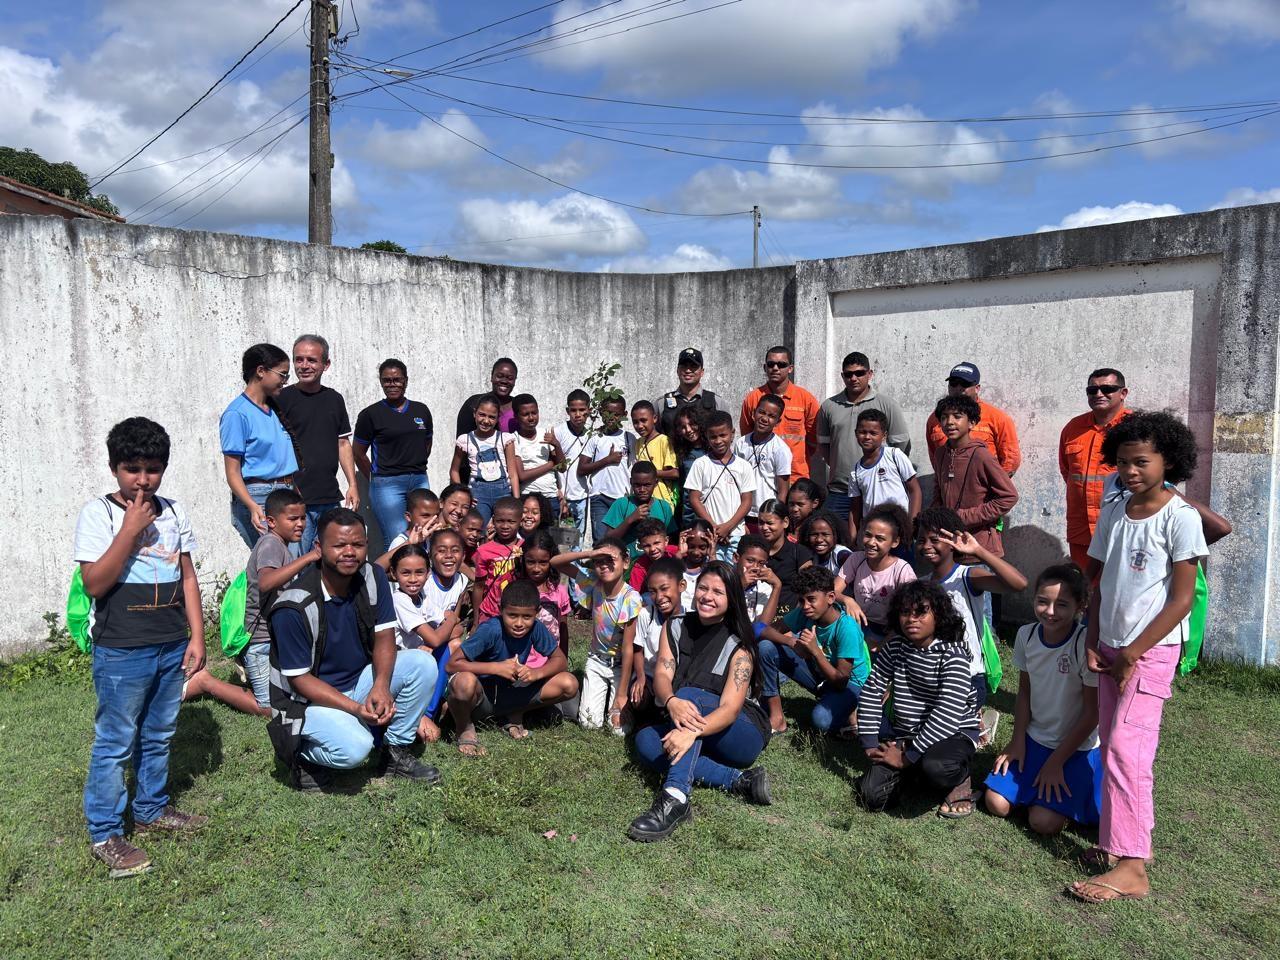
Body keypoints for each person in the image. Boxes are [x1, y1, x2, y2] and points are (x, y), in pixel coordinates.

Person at [1066, 411, 1208, 905]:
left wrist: (1133, 652)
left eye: (1141, 462)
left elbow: (1181, 599)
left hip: (1148, 654)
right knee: (1111, 748)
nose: (1130, 471)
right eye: (1123, 462)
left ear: (1169, 461)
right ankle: (1113, 845)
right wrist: (1094, 635)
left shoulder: (1181, 517)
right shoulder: (1115, 509)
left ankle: (1133, 868)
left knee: (1130, 752)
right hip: (1109, 648)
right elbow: (1099, 581)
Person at [76, 418, 207, 877]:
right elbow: (94, 583)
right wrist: (129, 530)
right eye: (132, 468)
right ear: (115, 469)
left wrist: (197, 635)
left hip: (171, 643)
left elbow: (187, 576)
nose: (143, 479)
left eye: (153, 469)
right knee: (115, 739)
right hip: (123, 650)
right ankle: (106, 831)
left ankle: (151, 809)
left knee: (160, 732)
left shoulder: (174, 511)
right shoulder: (100, 514)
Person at [267, 508, 441, 792]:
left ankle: (395, 754)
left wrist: (381, 686)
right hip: (304, 702)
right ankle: (299, 754)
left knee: (422, 664)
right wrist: (356, 709)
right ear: (318, 548)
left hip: (357, 681)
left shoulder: (373, 577)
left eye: (358, 545)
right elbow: (300, 681)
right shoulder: (293, 606)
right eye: (339, 545)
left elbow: (385, 634)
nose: (350, 552)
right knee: (357, 749)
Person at [628, 562, 773, 842]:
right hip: (696, 725)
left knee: (688, 696)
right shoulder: (675, 625)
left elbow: (730, 709)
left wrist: (689, 730)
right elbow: (661, 674)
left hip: (741, 733)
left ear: (732, 599)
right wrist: (669, 700)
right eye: (703, 588)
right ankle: (739, 781)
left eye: (718, 591)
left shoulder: (740, 645)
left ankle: (675, 798)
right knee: (646, 739)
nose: (707, 596)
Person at [984, 564, 1101, 836]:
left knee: (1042, 823)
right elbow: (1025, 692)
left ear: (1080, 605)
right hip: (1035, 740)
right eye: (1042, 602)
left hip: (1075, 748)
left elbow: (1092, 714)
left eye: (1061, 604)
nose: (1050, 612)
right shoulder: (1026, 635)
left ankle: (1068, 798)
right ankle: (1035, 790)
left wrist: (1056, 762)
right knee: (995, 803)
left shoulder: (1084, 645)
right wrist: (1017, 741)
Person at [855, 579, 982, 817]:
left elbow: (947, 715)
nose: (912, 619)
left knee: (937, 767)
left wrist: (907, 757)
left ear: (939, 615)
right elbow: (872, 692)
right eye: (905, 612)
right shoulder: (894, 648)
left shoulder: (952, 656)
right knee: (870, 795)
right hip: (907, 734)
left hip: (952, 734)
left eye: (921, 612)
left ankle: (960, 778)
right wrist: (870, 743)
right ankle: (913, 772)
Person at [185, 488, 314, 717]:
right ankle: (206, 682)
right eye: (293, 518)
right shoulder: (271, 544)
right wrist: (310, 557)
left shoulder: (281, 545)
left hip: (274, 640)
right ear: (271, 521)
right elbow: (266, 583)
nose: (300, 524)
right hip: (260, 641)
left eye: (303, 518)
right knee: (268, 708)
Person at [915, 506, 1028, 740]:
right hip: (932, 675)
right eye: (921, 539)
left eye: (935, 539)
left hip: (968, 677)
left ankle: (977, 725)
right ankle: (973, 722)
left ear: (953, 541)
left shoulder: (967, 577)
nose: (926, 545)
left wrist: (979, 551)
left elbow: (1019, 584)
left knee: (946, 738)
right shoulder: (921, 585)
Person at [445, 579, 579, 755]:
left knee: (569, 683)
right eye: (512, 615)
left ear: (537, 613)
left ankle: (514, 713)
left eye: (527, 617)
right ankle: (464, 727)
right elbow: (452, 664)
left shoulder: (536, 629)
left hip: (512, 692)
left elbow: (560, 660)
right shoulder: (491, 629)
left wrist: (536, 673)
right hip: (482, 697)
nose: (519, 623)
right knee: (464, 682)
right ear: (501, 610)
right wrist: (496, 668)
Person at [757, 566, 871, 736]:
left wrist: (815, 652)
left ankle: (853, 709)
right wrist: (791, 641)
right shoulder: (806, 613)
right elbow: (761, 629)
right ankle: (777, 717)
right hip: (821, 673)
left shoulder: (846, 627)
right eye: (801, 601)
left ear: (831, 597)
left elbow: (841, 681)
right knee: (765, 647)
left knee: (821, 721)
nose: (805, 606)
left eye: (811, 599)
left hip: (851, 685)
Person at [274, 334, 360, 553]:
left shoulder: (335, 399)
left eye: (311, 360)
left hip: (329, 497)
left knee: (330, 559)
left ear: (326, 364)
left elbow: (343, 443)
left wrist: (352, 484)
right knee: (296, 567)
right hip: (294, 501)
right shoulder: (280, 399)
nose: (304, 366)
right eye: (299, 359)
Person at [552, 540, 643, 734]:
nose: (604, 565)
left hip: (621, 666)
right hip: (596, 661)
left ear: (626, 562)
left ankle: (624, 704)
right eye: (599, 561)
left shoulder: (630, 598)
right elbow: (556, 562)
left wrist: (621, 694)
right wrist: (588, 554)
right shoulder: (593, 582)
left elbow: (628, 648)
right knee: (589, 723)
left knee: (618, 731)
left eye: (610, 559)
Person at [389, 530, 470, 742]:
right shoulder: (400, 600)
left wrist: (448, 625)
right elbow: (437, 635)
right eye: (406, 573)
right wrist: (450, 621)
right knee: (432, 736)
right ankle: (421, 714)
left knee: (446, 647)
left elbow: (456, 628)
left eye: (419, 573)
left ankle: (430, 711)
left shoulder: (421, 596)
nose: (414, 579)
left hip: (422, 660)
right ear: (394, 574)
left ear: (427, 573)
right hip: (402, 668)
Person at [817, 351, 911, 523]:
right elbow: (824, 445)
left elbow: (902, 444)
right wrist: (841, 466)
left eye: (859, 373)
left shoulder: (887, 404)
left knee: (877, 543)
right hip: (840, 492)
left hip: (877, 491)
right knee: (836, 542)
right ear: (842, 376)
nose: (854, 378)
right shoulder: (828, 406)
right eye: (849, 374)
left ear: (870, 374)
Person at [220, 343, 299, 548]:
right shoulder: (237, 414)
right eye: (282, 375)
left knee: (292, 568)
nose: (285, 381)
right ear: (261, 371)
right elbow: (233, 471)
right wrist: (252, 506)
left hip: (286, 493)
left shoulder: (273, 409)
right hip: (260, 498)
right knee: (274, 567)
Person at [353, 359, 433, 545]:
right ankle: (391, 575)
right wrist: (375, 478)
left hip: (419, 479)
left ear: (406, 380)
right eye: (386, 380)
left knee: (425, 533)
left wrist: (414, 462)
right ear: (381, 382)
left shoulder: (421, 410)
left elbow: (426, 444)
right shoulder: (370, 414)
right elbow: (358, 453)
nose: (392, 384)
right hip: (388, 485)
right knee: (397, 538)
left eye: (397, 379)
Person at [1059, 368, 1132, 570]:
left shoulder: (1136, 428)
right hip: (1082, 530)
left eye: (1107, 388)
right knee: (1085, 591)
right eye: (1092, 390)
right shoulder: (1073, 429)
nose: (1099, 394)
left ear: (1123, 393)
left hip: (1122, 527)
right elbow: (1067, 472)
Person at [929, 394, 1019, 557]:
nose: (949, 422)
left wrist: (964, 517)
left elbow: (1009, 497)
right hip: (950, 546)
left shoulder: (981, 456)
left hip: (980, 548)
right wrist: (934, 520)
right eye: (944, 417)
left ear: (972, 423)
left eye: (957, 417)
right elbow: (938, 492)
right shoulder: (941, 454)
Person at [835, 504, 917, 650]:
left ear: (895, 542)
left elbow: (910, 614)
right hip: (859, 625)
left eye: (880, 538)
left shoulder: (902, 570)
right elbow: (832, 592)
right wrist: (847, 599)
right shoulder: (856, 559)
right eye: (868, 535)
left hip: (890, 632)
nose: (871, 542)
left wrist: (882, 645)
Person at [925, 362, 1022, 477]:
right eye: (954, 383)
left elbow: (1011, 459)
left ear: (977, 388)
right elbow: (935, 457)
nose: (958, 388)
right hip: (950, 490)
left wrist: (994, 487)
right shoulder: (935, 418)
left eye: (964, 383)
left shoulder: (997, 418)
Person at [740, 346, 819, 479]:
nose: (775, 368)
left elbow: (813, 440)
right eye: (771, 364)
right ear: (765, 367)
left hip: (795, 476)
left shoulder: (805, 399)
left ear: (790, 368)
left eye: (781, 364)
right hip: (761, 476)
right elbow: (746, 436)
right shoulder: (753, 398)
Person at [686, 411, 755, 562]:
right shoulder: (700, 464)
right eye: (713, 437)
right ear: (707, 437)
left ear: (732, 434)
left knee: (733, 578)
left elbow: (747, 501)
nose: (718, 441)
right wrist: (714, 527)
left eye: (722, 435)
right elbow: (694, 499)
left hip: (736, 534)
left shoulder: (744, 466)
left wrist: (728, 527)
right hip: (709, 536)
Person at [628, 557, 687, 726]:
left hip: (673, 680)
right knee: (639, 698)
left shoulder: (688, 618)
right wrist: (640, 677)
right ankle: (643, 715)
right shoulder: (647, 614)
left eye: (664, 589)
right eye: (653, 591)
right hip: (648, 675)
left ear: (681, 586)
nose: (659, 597)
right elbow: (637, 649)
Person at [847, 408, 921, 543]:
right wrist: (852, 539)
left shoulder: (894, 455)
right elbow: (855, 508)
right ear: (856, 433)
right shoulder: (855, 471)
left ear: (884, 435)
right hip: (874, 534)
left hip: (899, 529)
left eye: (873, 433)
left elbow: (914, 490)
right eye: (862, 432)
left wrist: (911, 525)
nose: (867, 437)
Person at [578, 396, 636, 546]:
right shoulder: (595, 437)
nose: (611, 418)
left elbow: (634, 467)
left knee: (623, 540)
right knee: (601, 541)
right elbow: (582, 469)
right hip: (600, 497)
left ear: (624, 415)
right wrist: (607, 460)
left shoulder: (629, 438)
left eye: (616, 414)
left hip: (623, 497)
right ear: (601, 413)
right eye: (607, 413)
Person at [450, 394, 514, 524]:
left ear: (497, 419)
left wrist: (516, 500)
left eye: (492, 417)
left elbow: (513, 474)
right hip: (477, 496)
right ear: (474, 413)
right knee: (479, 530)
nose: (486, 420)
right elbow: (454, 471)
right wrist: (464, 495)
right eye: (482, 415)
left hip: (504, 494)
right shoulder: (465, 440)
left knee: (504, 531)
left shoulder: (505, 439)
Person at [735, 393, 793, 529]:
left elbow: (783, 489)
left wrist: (776, 515)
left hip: (767, 515)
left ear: (778, 422)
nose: (764, 419)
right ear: (754, 413)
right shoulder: (741, 443)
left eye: (771, 416)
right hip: (743, 511)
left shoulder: (780, 449)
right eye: (761, 412)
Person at [506, 394, 564, 522]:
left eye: (534, 413)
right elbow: (522, 475)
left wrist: (557, 445)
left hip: (550, 496)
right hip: (528, 498)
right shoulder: (514, 440)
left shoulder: (545, 434)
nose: (531, 418)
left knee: (550, 539)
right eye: (526, 414)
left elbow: (562, 467)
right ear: (516, 417)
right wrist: (550, 465)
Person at [515, 529, 571, 657]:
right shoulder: (515, 590)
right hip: (522, 659)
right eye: (530, 562)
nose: (536, 568)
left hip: (550, 659)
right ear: (522, 560)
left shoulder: (559, 591)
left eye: (543, 562)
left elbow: (563, 629)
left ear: (552, 561)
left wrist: (563, 659)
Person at [755, 499, 815, 613]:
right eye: (761, 523)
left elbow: (811, 589)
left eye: (770, 523)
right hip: (758, 620)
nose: (764, 528)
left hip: (789, 622)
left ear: (785, 522)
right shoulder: (753, 553)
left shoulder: (800, 553)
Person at [603, 462, 676, 554]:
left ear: (656, 483)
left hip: (655, 564)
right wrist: (630, 520)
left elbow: (670, 539)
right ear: (631, 482)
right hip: (628, 564)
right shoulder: (621, 504)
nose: (642, 490)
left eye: (647, 485)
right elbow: (608, 540)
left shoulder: (663, 506)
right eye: (637, 485)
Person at [655, 346, 730, 436]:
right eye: (684, 366)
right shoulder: (661, 404)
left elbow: (726, 436)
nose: (688, 370)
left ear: (702, 372)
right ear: (677, 371)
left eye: (693, 366)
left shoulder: (717, 402)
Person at [471, 496, 523, 625]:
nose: (505, 526)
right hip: (490, 612)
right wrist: (476, 622)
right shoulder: (483, 551)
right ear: (493, 521)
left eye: (511, 521)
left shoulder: (526, 547)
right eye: (500, 521)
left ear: (520, 521)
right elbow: (478, 587)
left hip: (517, 613)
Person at [553, 390, 593, 547]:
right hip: (564, 496)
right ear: (567, 411)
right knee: (563, 540)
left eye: (582, 410)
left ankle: (576, 569)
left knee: (579, 537)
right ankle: (565, 570)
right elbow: (554, 465)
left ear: (589, 410)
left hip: (582, 495)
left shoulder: (592, 434)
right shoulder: (559, 432)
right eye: (573, 410)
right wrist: (559, 492)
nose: (578, 414)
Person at [373, 488, 441, 570]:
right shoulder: (400, 542)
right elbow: (377, 569)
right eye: (425, 516)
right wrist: (408, 543)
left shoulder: (431, 540)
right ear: (408, 517)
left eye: (436, 516)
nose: (432, 520)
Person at [632, 400, 679, 511]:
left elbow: (675, 473)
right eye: (635, 422)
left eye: (643, 421)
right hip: (642, 502)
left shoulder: (664, 441)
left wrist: (649, 474)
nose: (639, 426)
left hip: (661, 500)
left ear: (654, 418)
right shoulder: (638, 443)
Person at [456, 357, 519, 439]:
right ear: (491, 377)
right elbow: (462, 441)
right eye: (499, 376)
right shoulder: (474, 403)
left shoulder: (519, 406)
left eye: (510, 378)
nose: (504, 381)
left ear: (514, 381)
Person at [671, 406, 709, 529]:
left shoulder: (713, 451)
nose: (688, 430)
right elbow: (688, 491)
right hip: (690, 515)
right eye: (683, 427)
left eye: (692, 424)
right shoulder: (682, 453)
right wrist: (687, 519)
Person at [735, 534, 782, 625]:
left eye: (761, 563)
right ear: (736, 558)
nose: (755, 567)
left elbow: (762, 626)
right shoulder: (725, 579)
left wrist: (777, 586)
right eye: (750, 560)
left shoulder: (764, 588)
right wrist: (741, 585)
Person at [627, 518, 681, 592]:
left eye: (656, 543)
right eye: (647, 546)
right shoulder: (640, 568)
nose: (652, 549)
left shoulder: (676, 552)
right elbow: (633, 596)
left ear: (666, 541)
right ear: (641, 546)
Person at [800, 511, 851, 576]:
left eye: (825, 534)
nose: (819, 539)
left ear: (835, 535)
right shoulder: (810, 554)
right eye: (814, 534)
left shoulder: (842, 554)